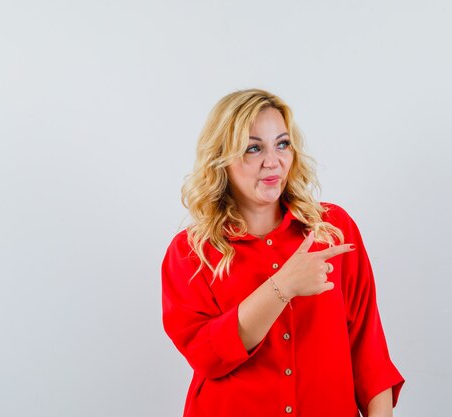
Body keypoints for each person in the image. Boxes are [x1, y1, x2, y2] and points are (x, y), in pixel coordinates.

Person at [161, 88, 404, 417]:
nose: (273, 161)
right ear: (222, 159)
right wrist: (282, 286)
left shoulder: (333, 229)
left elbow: (368, 352)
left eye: (282, 144)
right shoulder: (190, 253)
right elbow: (207, 357)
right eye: (253, 148)